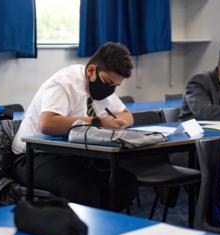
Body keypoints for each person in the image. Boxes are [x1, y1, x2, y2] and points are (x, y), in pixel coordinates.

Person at [11, 42, 135, 209]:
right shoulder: (64, 83)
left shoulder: (104, 86)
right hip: (34, 155)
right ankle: (81, 231)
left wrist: (119, 123)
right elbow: (47, 124)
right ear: (91, 71)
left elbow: (127, 115)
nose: (111, 89)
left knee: (124, 182)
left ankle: (102, 227)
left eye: (116, 86)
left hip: (72, 153)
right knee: (81, 190)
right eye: (109, 82)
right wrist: (98, 121)